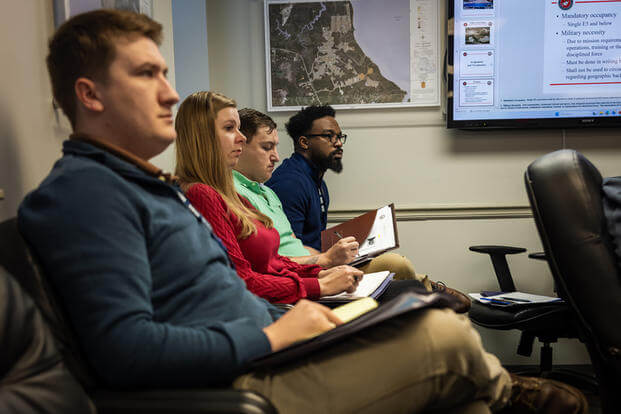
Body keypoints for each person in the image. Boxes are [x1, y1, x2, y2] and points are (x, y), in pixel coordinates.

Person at [17, 9, 587, 414]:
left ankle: (498, 394)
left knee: (425, 325)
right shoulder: (85, 195)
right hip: (243, 380)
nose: (168, 93)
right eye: (147, 75)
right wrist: (278, 333)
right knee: (447, 339)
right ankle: (509, 391)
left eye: (165, 73)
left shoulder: (146, 184)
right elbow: (126, 352)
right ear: (90, 95)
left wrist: (298, 317)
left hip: (274, 346)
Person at [236, 108, 471, 310]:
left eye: (340, 137)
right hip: (304, 275)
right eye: (329, 136)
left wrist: (344, 249)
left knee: (400, 270)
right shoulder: (287, 183)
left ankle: (429, 291)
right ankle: (431, 290)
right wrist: (326, 260)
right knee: (399, 266)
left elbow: (295, 244)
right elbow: (273, 261)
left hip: (313, 263)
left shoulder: (270, 190)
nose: (338, 143)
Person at [174, 91, 363, 303]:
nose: (241, 137)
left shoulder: (227, 192)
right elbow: (240, 281)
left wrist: (317, 273)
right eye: (229, 128)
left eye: (238, 128)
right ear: (202, 136)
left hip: (286, 293)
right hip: (269, 309)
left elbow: (273, 263)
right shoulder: (201, 193)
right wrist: (320, 284)